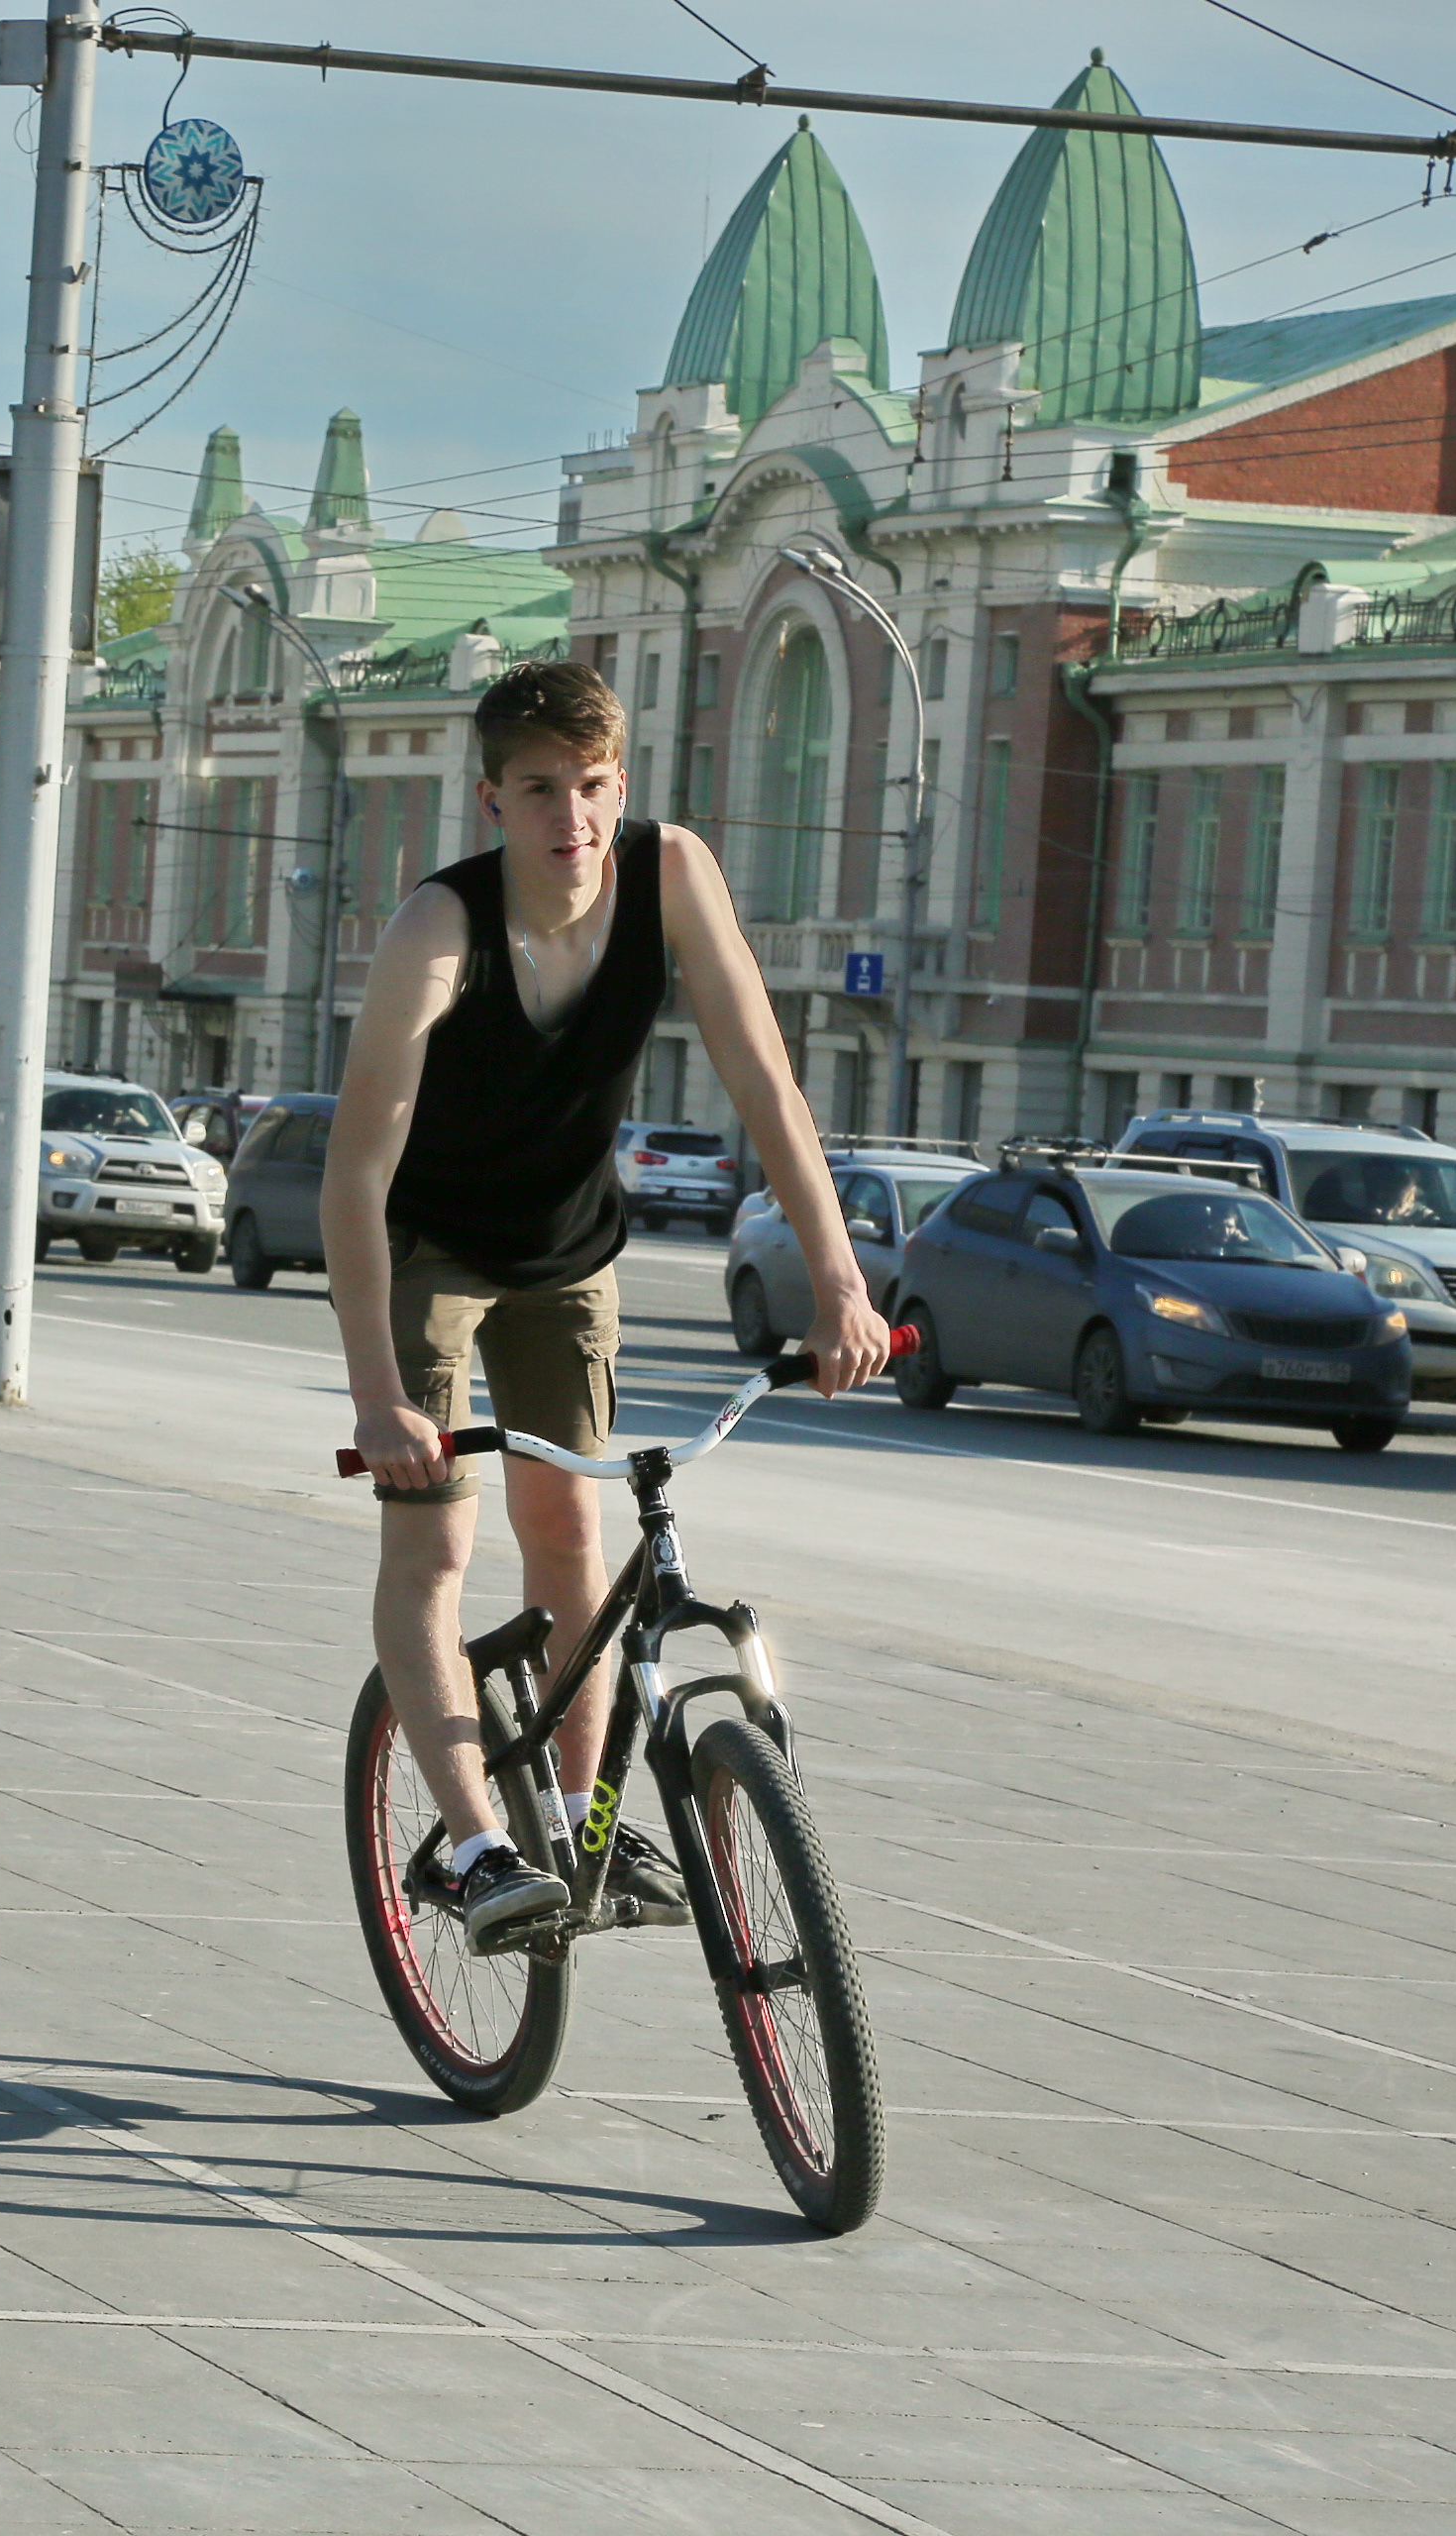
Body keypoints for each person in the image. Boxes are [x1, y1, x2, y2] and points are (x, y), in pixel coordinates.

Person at [323, 661, 889, 1953]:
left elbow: (766, 1085)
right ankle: (477, 1851)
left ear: (618, 785)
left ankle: (584, 1824)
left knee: (571, 1534)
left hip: (567, 1253)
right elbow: (354, 1173)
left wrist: (840, 1285)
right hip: (428, 1252)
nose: (569, 817)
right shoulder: (438, 930)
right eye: (538, 790)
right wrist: (378, 1396)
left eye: (590, 786)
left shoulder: (672, 873)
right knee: (434, 1547)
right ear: (492, 800)